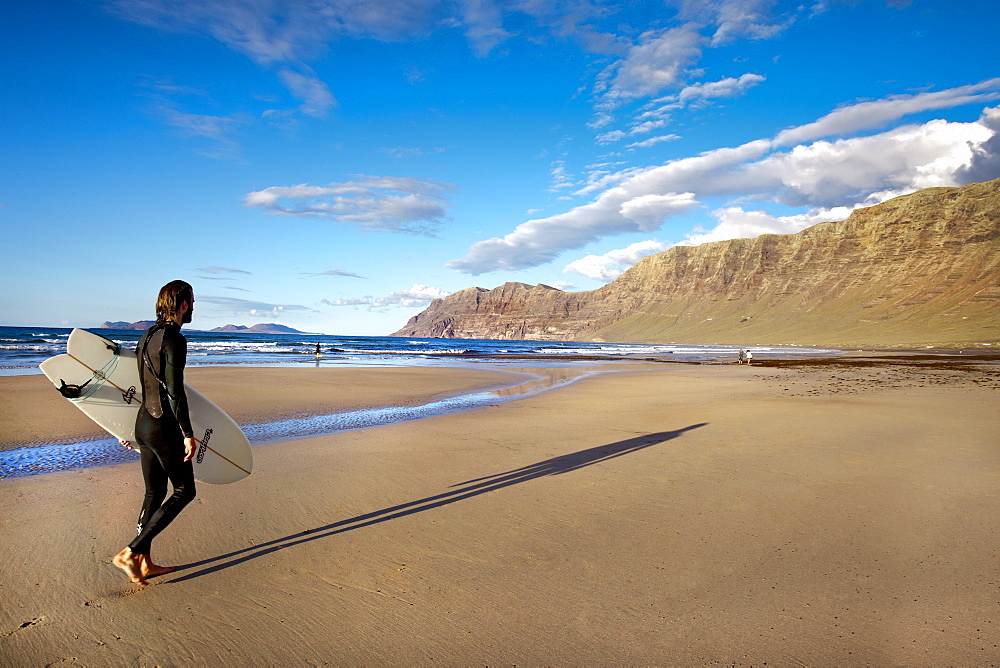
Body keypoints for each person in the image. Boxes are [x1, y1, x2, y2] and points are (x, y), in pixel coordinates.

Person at [113, 280, 198, 585]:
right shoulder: (175, 339)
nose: (193, 308)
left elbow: (141, 383)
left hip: (143, 423)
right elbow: (175, 393)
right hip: (163, 428)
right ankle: (131, 552)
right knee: (185, 490)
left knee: (154, 492)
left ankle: (143, 563)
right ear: (184, 304)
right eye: (192, 301)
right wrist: (188, 432)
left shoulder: (147, 335)